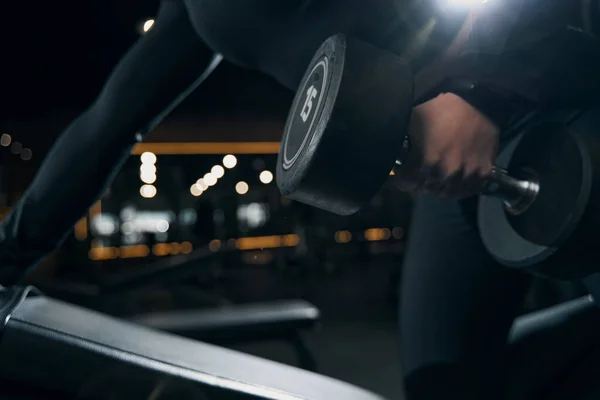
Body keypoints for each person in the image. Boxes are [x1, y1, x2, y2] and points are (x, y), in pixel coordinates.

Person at [1, 0, 600, 398]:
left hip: (551, 97)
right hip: (447, 173)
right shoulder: (203, 11)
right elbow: (109, 123)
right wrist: (6, 257)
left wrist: (489, 95)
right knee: (444, 385)